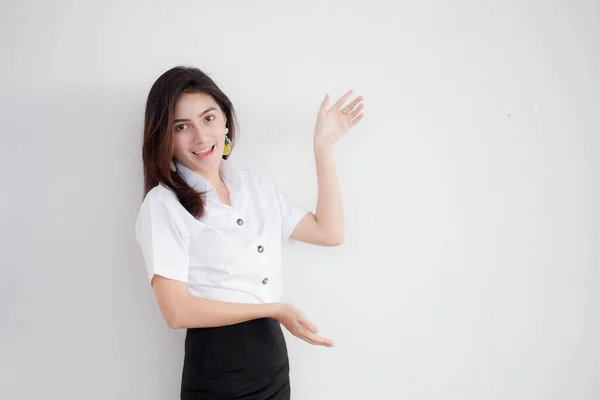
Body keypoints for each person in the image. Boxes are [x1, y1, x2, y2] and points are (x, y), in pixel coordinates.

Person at [135, 66, 364, 399]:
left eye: (209, 118)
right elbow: (177, 312)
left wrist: (322, 147)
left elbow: (329, 232)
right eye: (182, 127)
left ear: (226, 120)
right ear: (165, 138)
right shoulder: (163, 204)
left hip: (271, 360)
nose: (200, 137)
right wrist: (273, 309)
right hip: (218, 368)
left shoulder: (255, 187)